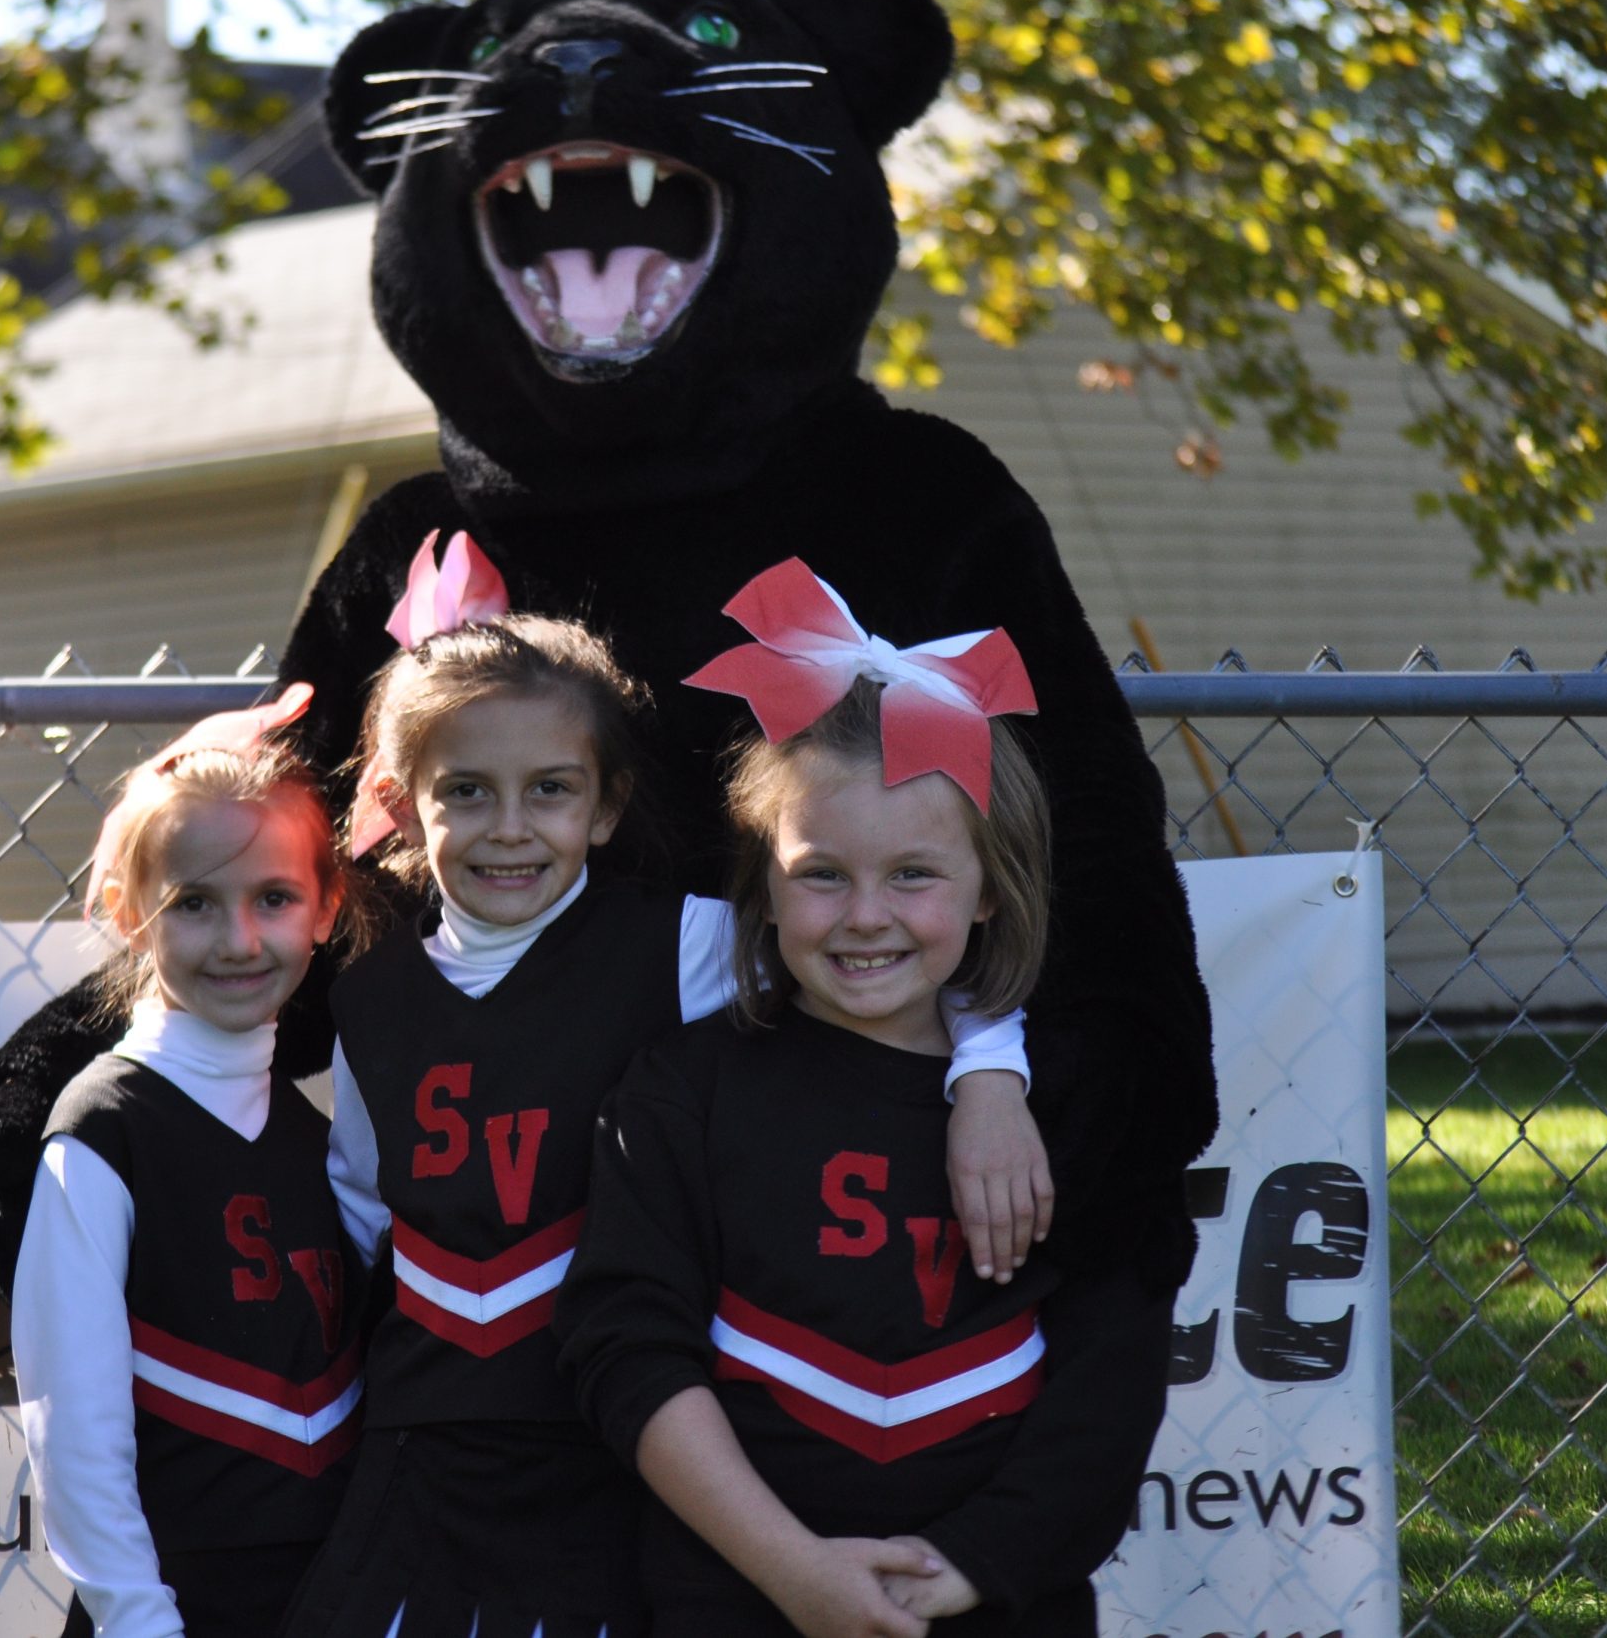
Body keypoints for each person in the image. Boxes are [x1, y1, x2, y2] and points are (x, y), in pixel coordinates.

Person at [285, 537, 1051, 1638]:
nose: (510, 827)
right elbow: (367, 1211)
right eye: (467, 792)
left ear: (606, 807)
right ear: (400, 804)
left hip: (611, 1440)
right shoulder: (368, 994)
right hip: (427, 1446)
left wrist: (988, 1071)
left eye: (551, 790)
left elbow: (877, 969)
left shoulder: (687, 944)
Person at [556, 565, 1173, 1638]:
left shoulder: (1068, 1113)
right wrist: (792, 1569)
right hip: (734, 1599)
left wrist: (974, 1564)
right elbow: (627, 1351)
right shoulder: (679, 1093)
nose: (865, 916)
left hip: (995, 1606)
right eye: (821, 873)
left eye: (914, 876)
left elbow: (1112, 1379)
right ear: (762, 882)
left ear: (990, 888)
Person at [12, 685, 367, 1638]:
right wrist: (139, 1621)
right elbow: (71, 1429)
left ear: (327, 906)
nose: (240, 941)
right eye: (195, 903)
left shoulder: (316, 1137)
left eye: (274, 898)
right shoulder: (103, 1130)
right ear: (129, 914)